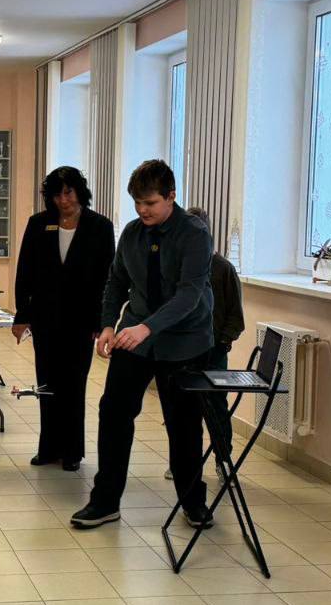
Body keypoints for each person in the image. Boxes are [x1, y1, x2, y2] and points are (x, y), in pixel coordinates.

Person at [70, 160, 215, 530]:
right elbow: (116, 282)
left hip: (183, 341)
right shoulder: (132, 233)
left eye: (150, 203)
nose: (142, 210)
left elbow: (190, 295)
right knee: (114, 413)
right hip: (135, 337)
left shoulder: (194, 234)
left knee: (183, 424)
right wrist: (107, 325)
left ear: (171, 196)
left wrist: (147, 328)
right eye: (137, 202)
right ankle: (105, 501)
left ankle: (193, 502)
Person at [11, 166, 115, 472]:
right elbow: (25, 271)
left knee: (73, 384)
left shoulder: (100, 226)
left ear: (79, 191)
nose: (63, 200)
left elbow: (107, 279)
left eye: (68, 193)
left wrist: (100, 321)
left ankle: (72, 450)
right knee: (47, 382)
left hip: (81, 320)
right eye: (57, 195)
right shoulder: (39, 223)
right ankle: (48, 447)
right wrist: (22, 314)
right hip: (45, 318)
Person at [187, 205, 244, 368]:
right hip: (182, 351)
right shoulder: (177, 266)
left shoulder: (224, 269)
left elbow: (235, 316)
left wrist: (223, 342)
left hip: (214, 353)